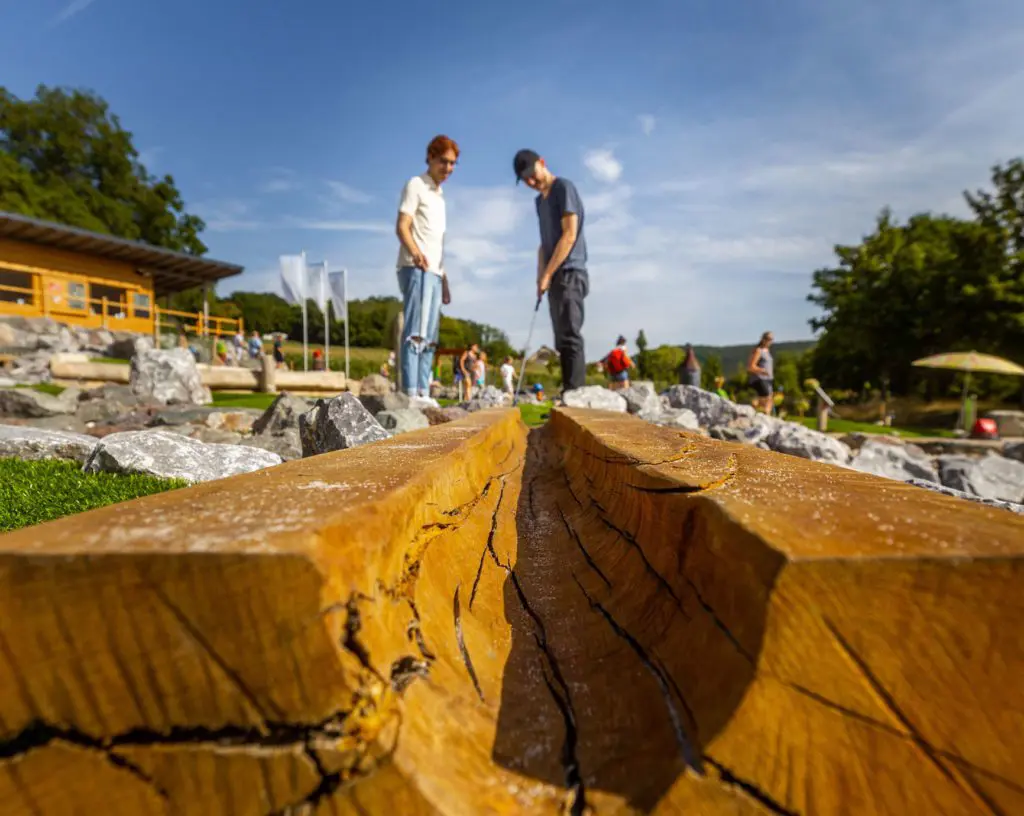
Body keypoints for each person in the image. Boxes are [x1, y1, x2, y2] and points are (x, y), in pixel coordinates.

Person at [513, 148, 588, 399]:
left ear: (542, 163)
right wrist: (540, 276)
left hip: (570, 271)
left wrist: (548, 273)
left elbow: (569, 235)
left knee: (570, 335)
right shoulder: (539, 202)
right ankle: (568, 394)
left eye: (532, 175)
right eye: (526, 181)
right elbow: (544, 245)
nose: (531, 183)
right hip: (553, 274)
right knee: (560, 339)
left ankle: (574, 396)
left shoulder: (563, 188)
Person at [395, 135, 457, 403]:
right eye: (443, 161)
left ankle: (423, 388)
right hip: (415, 266)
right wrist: (416, 253)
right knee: (416, 329)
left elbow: (438, 243)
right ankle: (410, 391)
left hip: (434, 271)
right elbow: (402, 225)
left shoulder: (440, 197)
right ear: (431, 158)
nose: (448, 168)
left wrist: (444, 279)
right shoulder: (416, 185)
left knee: (430, 333)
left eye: (453, 163)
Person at [747, 331, 775, 413]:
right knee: (766, 400)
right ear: (763, 339)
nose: (770, 341)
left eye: (771, 339)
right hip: (760, 379)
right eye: (768, 339)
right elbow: (751, 366)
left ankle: (763, 417)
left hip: (768, 379)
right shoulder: (759, 351)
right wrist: (762, 370)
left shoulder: (767, 351)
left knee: (768, 401)